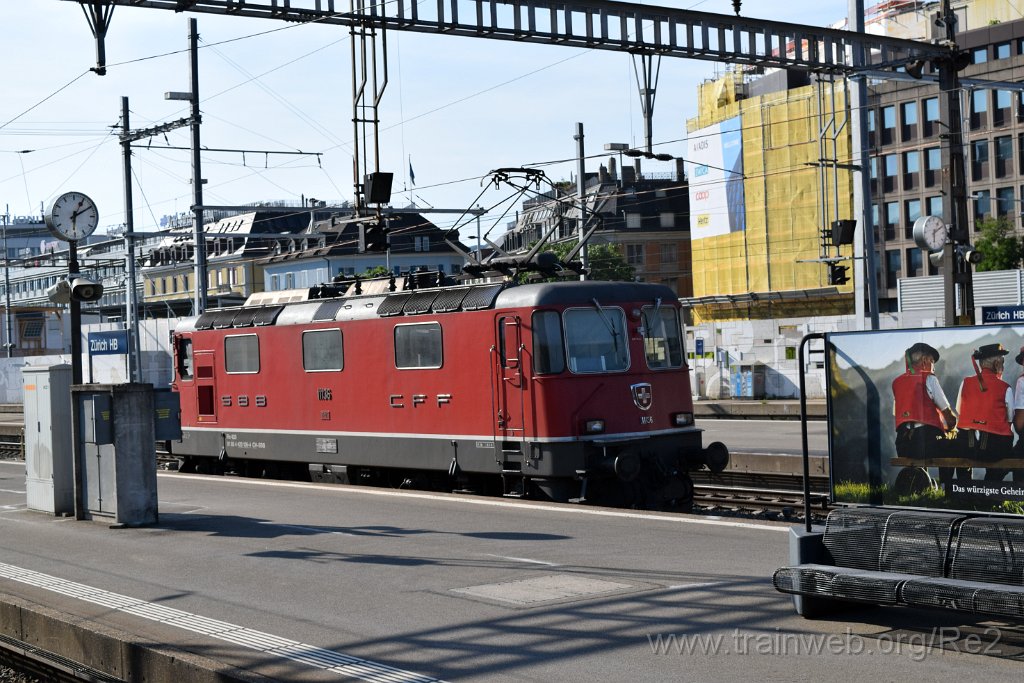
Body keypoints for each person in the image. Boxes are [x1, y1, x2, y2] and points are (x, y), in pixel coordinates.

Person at [955, 343, 1014, 482]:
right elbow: (1009, 419)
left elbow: (959, 412)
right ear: (996, 363)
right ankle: (991, 487)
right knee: (1008, 450)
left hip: (966, 448)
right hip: (994, 450)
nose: (1003, 366)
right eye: (1002, 362)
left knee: (960, 446)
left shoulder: (965, 383)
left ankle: (964, 488)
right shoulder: (1006, 388)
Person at [892, 342, 957, 461]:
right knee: (957, 447)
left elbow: (900, 415)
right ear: (925, 360)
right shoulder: (929, 378)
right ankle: (945, 480)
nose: (934, 367)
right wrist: (952, 426)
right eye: (932, 361)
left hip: (903, 446)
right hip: (926, 444)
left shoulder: (897, 383)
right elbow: (949, 417)